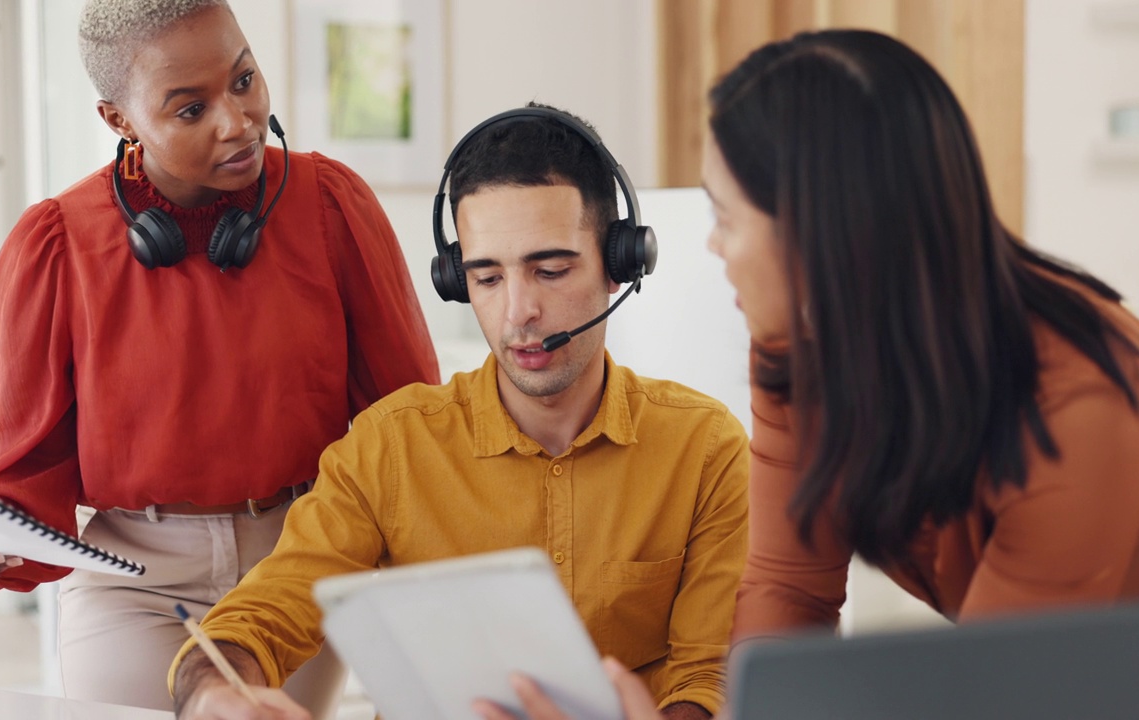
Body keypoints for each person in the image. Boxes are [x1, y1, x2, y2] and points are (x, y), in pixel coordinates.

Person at [478, 28, 1139, 720]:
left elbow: (996, 696)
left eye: (726, 218)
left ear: (823, 232)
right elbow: (791, 589)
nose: (712, 245)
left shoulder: (1084, 399)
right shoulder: (797, 345)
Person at [168, 104, 751, 720]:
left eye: (549, 270)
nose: (517, 313)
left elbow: (707, 673)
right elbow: (269, 610)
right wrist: (213, 690)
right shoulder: (391, 447)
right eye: (487, 278)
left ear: (620, 263)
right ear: (455, 279)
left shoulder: (703, 447)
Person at [0, 0, 439, 713]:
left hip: (296, 562)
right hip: (135, 579)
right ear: (118, 120)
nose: (236, 120)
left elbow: (403, 419)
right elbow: (25, 474)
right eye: (190, 110)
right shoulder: (55, 245)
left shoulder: (330, 205)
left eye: (244, 80)